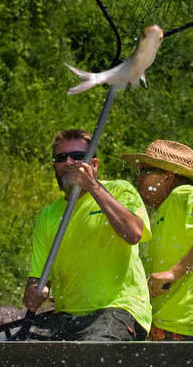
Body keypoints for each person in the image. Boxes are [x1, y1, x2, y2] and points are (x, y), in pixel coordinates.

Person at [22, 129, 152, 341]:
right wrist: (33, 293)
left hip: (118, 309)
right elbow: (36, 280)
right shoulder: (47, 216)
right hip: (67, 315)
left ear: (94, 164)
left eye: (79, 156)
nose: (70, 162)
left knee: (90, 354)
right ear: (55, 165)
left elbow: (134, 233)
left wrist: (93, 187)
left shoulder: (120, 191)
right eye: (61, 157)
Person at [120, 140, 193, 340]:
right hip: (181, 327)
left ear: (167, 177)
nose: (138, 179)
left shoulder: (184, 194)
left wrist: (173, 273)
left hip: (190, 329)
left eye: (145, 171)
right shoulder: (164, 211)